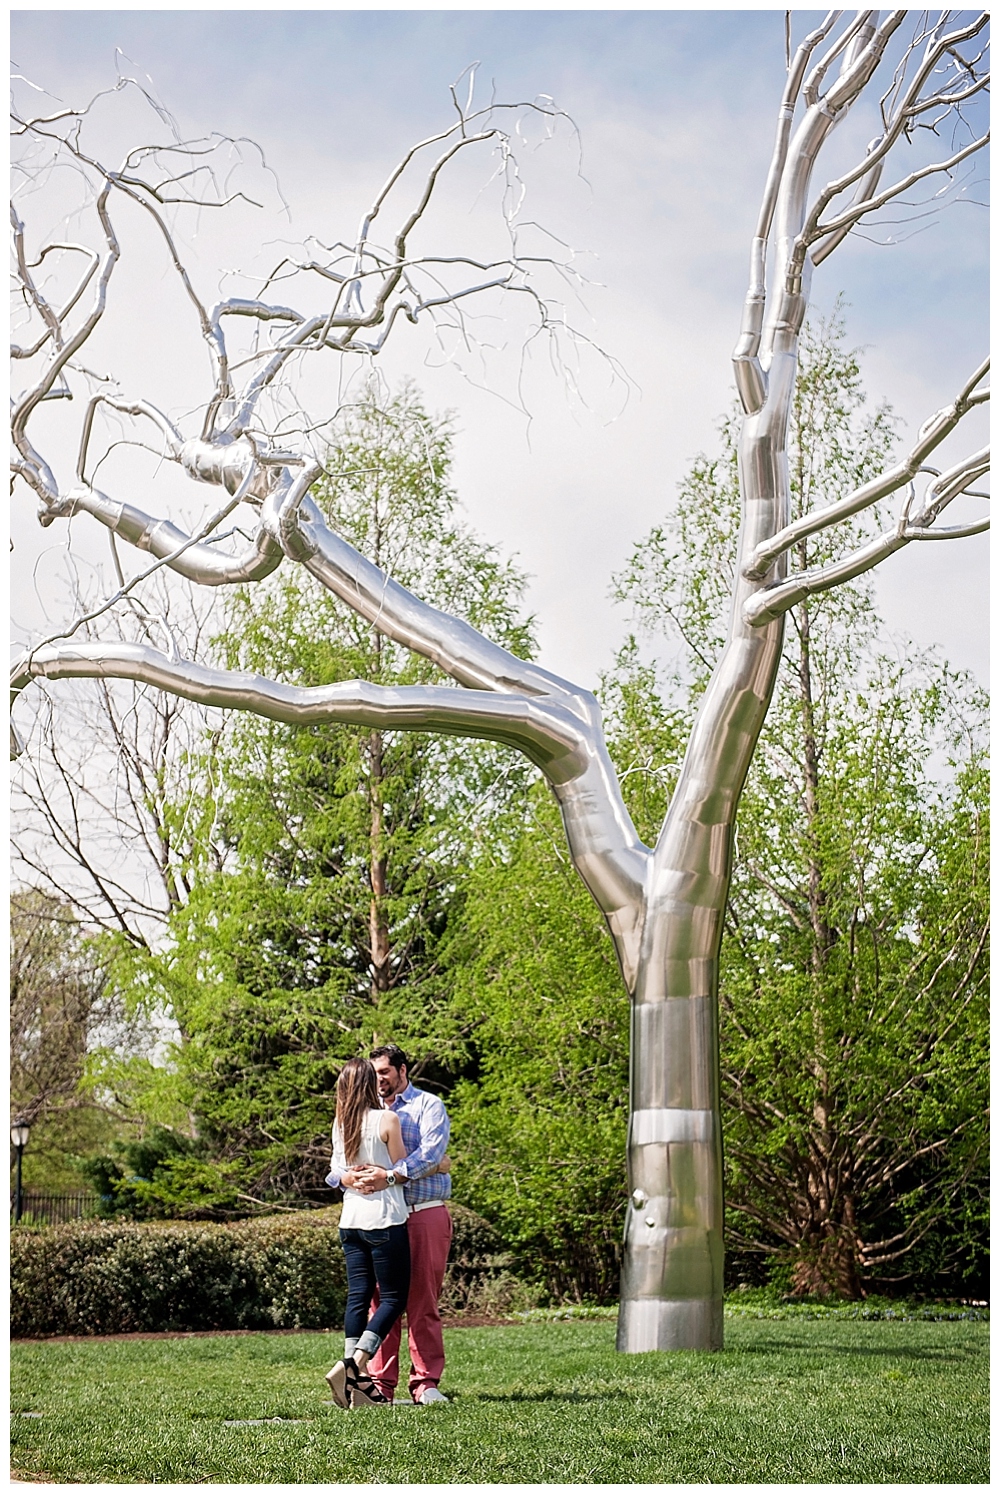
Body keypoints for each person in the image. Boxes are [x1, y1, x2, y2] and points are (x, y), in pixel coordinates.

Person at [328, 1044, 453, 1406]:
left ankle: (425, 1382)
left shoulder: (427, 1105)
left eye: (384, 1072)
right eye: (374, 1073)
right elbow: (428, 1161)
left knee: (422, 1300)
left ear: (402, 1070)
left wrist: (390, 1176)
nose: (379, 1078)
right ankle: (378, 1383)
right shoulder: (365, 1114)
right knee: (380, 1301)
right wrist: (361, 1179)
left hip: (423, 1211)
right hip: (383, 1217)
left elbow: (431, 1154)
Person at [324, 1057, 410, 1410]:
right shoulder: (386, 1119)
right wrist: (385, 1176)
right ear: (368, 1085)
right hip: (386, 1220)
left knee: (358, 1296)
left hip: (351, 1221)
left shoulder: (340, 1125)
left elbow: (334, 1171)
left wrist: (348, 1178)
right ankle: (355, 1365)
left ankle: (354, 1383)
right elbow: (402, 1170)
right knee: (393, 1298)